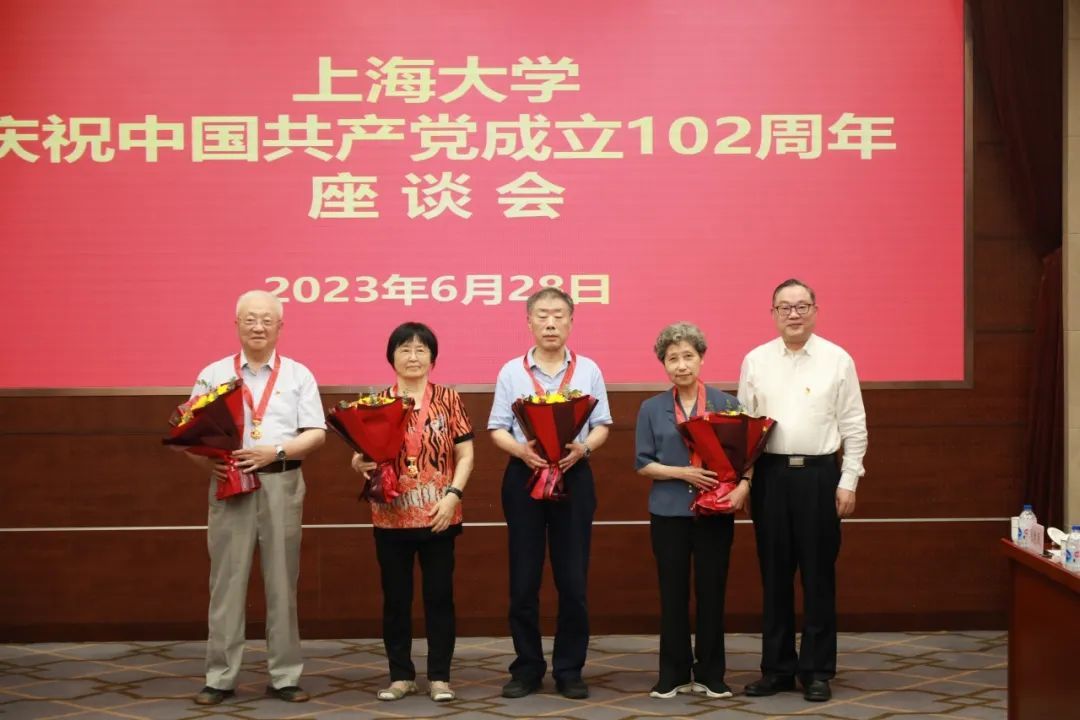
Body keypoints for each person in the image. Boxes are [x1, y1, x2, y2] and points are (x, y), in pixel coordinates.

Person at [187, 290, 326, 706]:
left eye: (267, 319)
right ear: (237, 325)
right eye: (250, 319)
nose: (258, 327)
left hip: (281, 482)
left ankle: (285, 676)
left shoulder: (298, 375)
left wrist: (276, 451)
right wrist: (207, 465)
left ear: (280, 326)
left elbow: (316, 434)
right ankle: (220, 677)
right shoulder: (213, 374)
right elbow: (188, 432)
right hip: (230, 486)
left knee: (282, 582)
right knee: (227, 582)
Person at [738, 278, 868, 703]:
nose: (793, 314)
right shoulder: (756, 360)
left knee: (818, 576)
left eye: (801, 306)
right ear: (773, 313)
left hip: (819, 477)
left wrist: (848, 480)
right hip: (771, 477)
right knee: (774, 575)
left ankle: (816, 671)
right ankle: (776, 669)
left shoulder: (837, 360)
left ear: (815, 310)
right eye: (785, 307)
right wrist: (745, 482)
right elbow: (746, 430)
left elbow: (854, 426)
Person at [488, 287, 613, 700]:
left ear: (571, 321)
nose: (550, 323)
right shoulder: (511, 371)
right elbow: (497, 428)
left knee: (572, 579)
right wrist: (520, 451)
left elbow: (602, 424)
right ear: (529, 322)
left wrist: (585, 448)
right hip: (525, 477)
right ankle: (526, 668)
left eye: (559, 315)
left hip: (574, 475)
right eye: (542, 315)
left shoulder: (588, 369)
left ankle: (569, 669)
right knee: (523, 579)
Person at [350, 322, 474, 703]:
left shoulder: (449, 399)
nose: (413, 356)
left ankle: (440, 677)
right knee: (396, 600)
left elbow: (466, 454)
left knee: (439, 598)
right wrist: (357, 462)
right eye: (405, 349)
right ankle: (400, 676)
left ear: (433, 358)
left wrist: (453, 496)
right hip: (391, 516)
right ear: (392, 357)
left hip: (439, 514)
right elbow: (361, 455)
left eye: (422, 349)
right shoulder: (376, 403)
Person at [634, 322, 743, 699]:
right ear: (663, 364)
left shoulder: (726, 404)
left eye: (688, 356)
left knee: (713, 592)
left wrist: (743, 487)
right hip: (668, 514)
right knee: (673, 594)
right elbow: (643, 464)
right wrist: (683, 472)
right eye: (672, 358)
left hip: (715, 512)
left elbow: (743, 458)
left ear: (701, 358)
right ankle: (674, 672)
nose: (681, 365)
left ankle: (712, 673)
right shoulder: (651, 408)